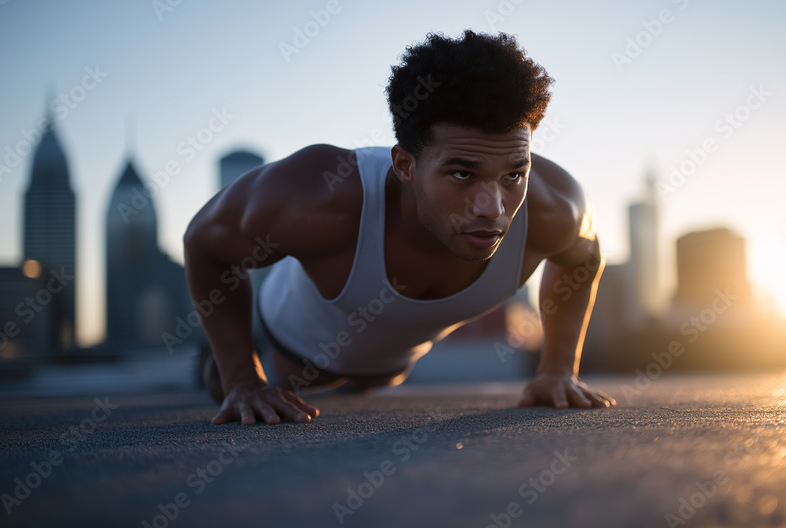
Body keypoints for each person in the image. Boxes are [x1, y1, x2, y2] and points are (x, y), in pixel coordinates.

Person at [183, 30, 614, 426]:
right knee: (228, 383)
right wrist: (241, 376)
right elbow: (204, 243)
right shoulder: (319, 198)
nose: (492, 207)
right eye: (463, 174)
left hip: (393, 364)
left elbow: (585, 258)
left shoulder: (553, 209)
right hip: (293, 349)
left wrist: (557, 369)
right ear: (404, 165)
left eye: (513, 175)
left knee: (375, 383)